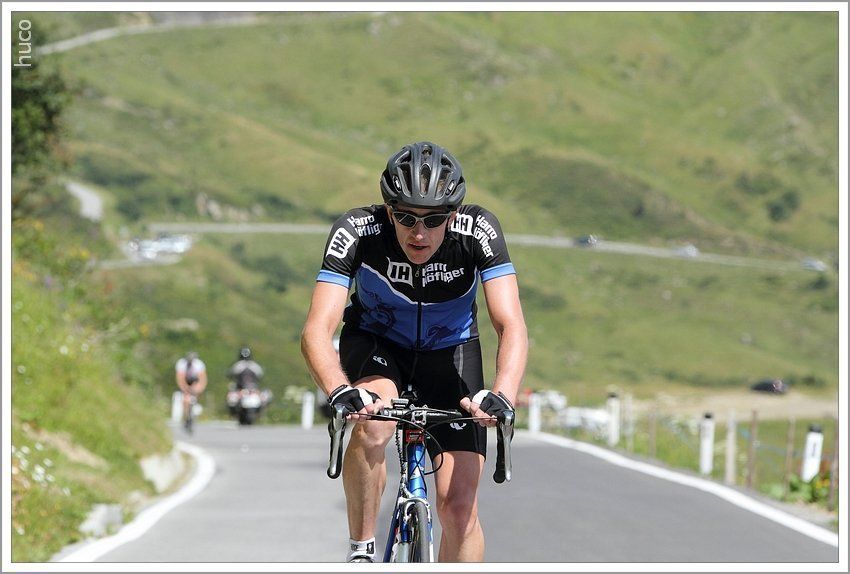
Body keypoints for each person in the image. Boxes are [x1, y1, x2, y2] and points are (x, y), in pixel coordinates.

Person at [301, 141, 528, 562]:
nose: (418, 233)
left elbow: (510, 324)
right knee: (374, 426)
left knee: (459, 511)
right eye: (405, 217)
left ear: (453, 216)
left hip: (451, 352)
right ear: (389, 212)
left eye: (434, 219)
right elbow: (317, 329)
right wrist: (338, 389)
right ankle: (361, 552)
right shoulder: (357, 230)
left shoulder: (479, 230)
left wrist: (503, 394)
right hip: (378, 344)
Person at [174, 351, 208, 428]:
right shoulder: (181, 364)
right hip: (185, 380)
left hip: (195, 380)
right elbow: (180, 378)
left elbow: (202, 379)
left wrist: (199, 388)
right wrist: (185, 389)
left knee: (195, 395)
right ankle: (186, 417)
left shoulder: (199, 364)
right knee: (186, 399)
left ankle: (194, 408)